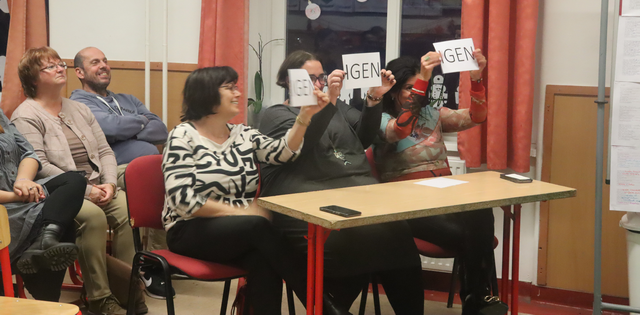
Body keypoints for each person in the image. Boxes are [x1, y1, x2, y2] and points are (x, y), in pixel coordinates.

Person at [163, 66, 349, 315]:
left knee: (263, 259)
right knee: (259, 227)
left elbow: (283, 152)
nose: (238, 93)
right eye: (230, 88)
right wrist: (239, 213)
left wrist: (304, 117)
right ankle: (326, 308)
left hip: (241, 230)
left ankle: (325, 307)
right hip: (188, 229)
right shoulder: (182, 136)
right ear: (206, 93)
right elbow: (183, 201)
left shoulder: (243, 134)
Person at [258, 50, 425, 314]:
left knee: (398, 234)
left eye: (321, 77)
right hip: (303, 200)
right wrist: (329, 102)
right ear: (288, 81)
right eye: (310, 78)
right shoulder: (276, 114)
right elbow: (299, 147)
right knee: (356, 240)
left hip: (354, 194)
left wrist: (374, 98)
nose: (318, 83)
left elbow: (364, 138)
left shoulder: (339, 108)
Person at [374, 51, 508, 315]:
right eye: (409, 87)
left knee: (481, 209)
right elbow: (398, 131)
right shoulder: (379, 118)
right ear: (393, 90)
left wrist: (476, 78)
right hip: (407, 203)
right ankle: (476, 297)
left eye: (418, 86)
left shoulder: (432, 114)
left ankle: (474, 297)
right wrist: (424, 78)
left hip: (444, 194)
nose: (415, 93)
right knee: (474, 238)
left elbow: (477, 116)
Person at [11, 47, 142, 315]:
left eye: (60, 63)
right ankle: (100, 299)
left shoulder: (79, 108)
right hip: (60, 193)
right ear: (33, 78)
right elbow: (39, 166)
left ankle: (128, 290)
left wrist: (109, 184)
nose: (61, 68)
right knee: (93, 217)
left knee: (128, 208)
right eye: (50, 66)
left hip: (99, 184)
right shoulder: (26, 115)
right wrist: (87, 191)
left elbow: (105, 151)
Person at [70, 46, 170, 299]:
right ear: (80, 72)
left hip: (146, 170)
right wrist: (141, 121)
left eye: (105, 61)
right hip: (113, 172)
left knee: (168, 179)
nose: (103, 65)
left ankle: (156, 261)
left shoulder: (128, 100)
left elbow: (160, 130)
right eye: (95, 62)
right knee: (158, 183)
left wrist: (126, 129)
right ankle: (146, 268)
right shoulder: (79, 102)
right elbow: (109, 128)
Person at [0, 109, 85, 302]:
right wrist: (17, 196)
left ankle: (43, 242)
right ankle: (48, 300)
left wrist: (23, 180)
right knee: (64, 225)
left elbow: (29, 153)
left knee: (74, 181)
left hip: (21, 194)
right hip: (5, 210)